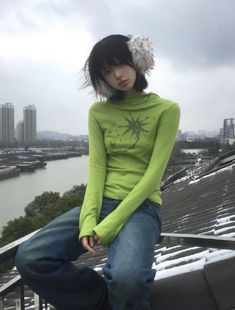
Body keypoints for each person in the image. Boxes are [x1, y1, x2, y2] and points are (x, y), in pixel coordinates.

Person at [15, 34, 180, 310]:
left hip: (142, 208)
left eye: (121, 64)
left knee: (128, 280)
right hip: (100, 202)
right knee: (30, 256)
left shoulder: (166, 110)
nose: (117, 75)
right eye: (106, 71)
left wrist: (109, 225)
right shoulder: (98, 113)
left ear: (136, 60)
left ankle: (119, 298)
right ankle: (104, 300)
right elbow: (97, 169)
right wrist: (90, 218)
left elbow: (153, 175)